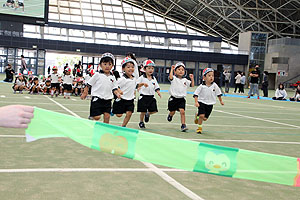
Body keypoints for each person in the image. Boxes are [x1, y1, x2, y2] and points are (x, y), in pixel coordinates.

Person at [81, 53, 122, 123]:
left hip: (108, 99)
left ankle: (105, 130)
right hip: (97, 98)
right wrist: (85, 93)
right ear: (100, 65)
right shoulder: (97, 75)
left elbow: (114, 88)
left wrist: (117, 94)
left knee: (107, 116)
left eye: (109, 64)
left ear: (112, 66)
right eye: (105, 64)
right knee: (97, 117)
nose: (107, 66)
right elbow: (88, 85)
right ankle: (93, 115)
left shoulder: (112, 77)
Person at [112, 57, 148, 127]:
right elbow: (116, 86)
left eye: (132, 67)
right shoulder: (122, 79)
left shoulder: (134, 78)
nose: (130, 68)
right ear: (123, 69)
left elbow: (135, 85)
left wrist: (142, 84)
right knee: (119, 115)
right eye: (128, 67)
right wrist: (119, 91)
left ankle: (123, 126)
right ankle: (112, 109)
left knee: (129, 113)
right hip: (121, 99)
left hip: (130, 99)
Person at [193, 68, 224, 134]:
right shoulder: (201, 86)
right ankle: (199, 128)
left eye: (212, 75)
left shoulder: (215, 85)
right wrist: (196, 102)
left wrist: (221, 101)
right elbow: (196, 94)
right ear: (204, 77)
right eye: (209, 75)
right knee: (202, 115)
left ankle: (197, 116)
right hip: (202, 102)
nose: (211, 77)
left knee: (205, 118)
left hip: (210, 104)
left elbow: (218, 93)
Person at [167, 62, 194, 132]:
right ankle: (170, 115)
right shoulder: (174, 79)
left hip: (181, 99)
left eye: (182, 69)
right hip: (173, 98)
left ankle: (183, 125)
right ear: (175, 71)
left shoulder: (185, 80)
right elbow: (170, 77)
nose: (181, 71)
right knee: (172, 111)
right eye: (179, 69)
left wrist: (192, 78)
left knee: (182, 112)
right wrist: (171, 70)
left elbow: (192, 85)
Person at [136, 59, 161, 129]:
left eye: (152, 68)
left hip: (151, 97)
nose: (151, 70)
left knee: (154, 110)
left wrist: (158, 92)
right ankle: (141, 122)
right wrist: (141, 85)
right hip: (143, 97)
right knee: (142, 111)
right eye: (149, 68)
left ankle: (148, 114)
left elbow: (156, 86)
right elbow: (137, 85)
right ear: (144, 69)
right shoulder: (141, 78)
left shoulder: (153, 79)